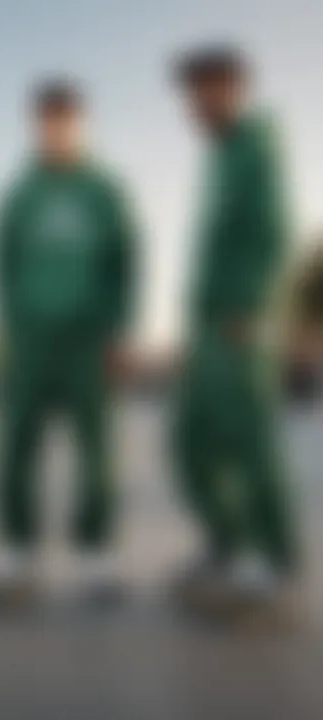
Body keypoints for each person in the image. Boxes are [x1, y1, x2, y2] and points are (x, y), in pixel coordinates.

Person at [0, 79, 138, 603]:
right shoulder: (19, 194)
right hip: (29, 342)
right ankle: (16, 551)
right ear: (35, 126)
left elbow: (125, 264)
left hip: (88, 342)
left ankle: (96, 553)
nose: (56, 129)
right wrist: (7, 329)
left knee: (96, 452)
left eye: (66, 119)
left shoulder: (106, 191)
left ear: (82, 124)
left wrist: (119, 330)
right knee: (16, 449)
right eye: (46, 120)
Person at [170, 46, 297, 613]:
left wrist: (254, 307)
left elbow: (274, 229)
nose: (198, 101)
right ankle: (226, 545)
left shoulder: (255, 145)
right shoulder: (219, 158)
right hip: (206, 326)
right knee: (191, 442)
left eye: (210, 87)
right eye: (193, 91)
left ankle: (274, 561)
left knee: (249, 445)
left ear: (237, 88)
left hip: (240, 321)